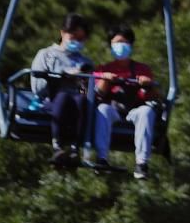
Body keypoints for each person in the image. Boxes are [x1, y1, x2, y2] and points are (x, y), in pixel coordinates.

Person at [92, 25, 159, 178]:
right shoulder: (103, 69)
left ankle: (141, 163)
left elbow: (155, 97)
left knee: (146, 111)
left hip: (133, 110)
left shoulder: (142, 69)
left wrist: (148, 85)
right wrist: (105, 81)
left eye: (124, 42)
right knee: (102, 109)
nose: (120, 46)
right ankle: (102, 158)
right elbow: (97, 94)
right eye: (116, 42)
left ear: (131, 45)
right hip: (113, 109)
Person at [29, 12, 93, 167]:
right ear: (63, 33)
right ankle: (57, 146)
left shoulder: (84, 61)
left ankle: (74, 148)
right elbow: (37, 87)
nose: (76, 42)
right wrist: (62, 77)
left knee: (81, 99)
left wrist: (83, 81)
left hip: (76, 104)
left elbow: (87, 92)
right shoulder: (46, 55)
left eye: (81, 39)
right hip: (52, 101)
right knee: (63, 97)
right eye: (73, 36)